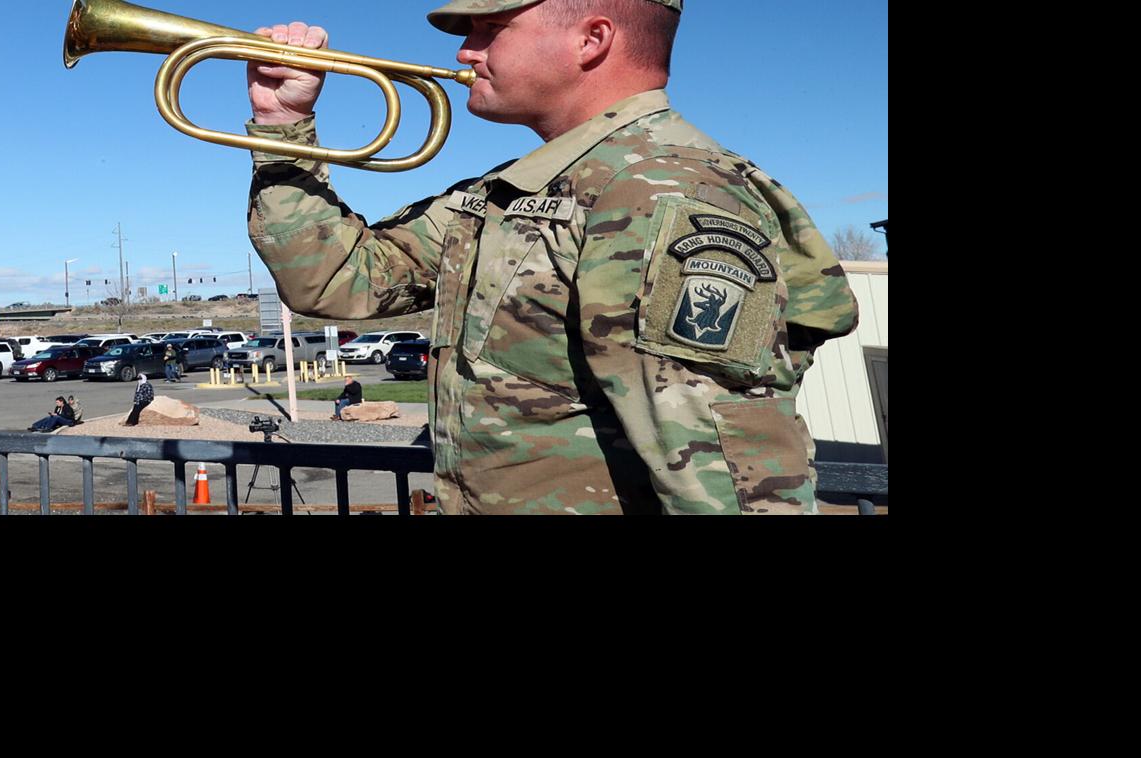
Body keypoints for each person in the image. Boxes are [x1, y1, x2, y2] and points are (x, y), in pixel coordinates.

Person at [245, 1, 856, 514]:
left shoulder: (659, 191)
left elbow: (722, 470)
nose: (466, 52)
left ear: (593, 39)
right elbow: (337, 283)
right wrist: (282, 126)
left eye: (491, 29)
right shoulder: (515, 194)